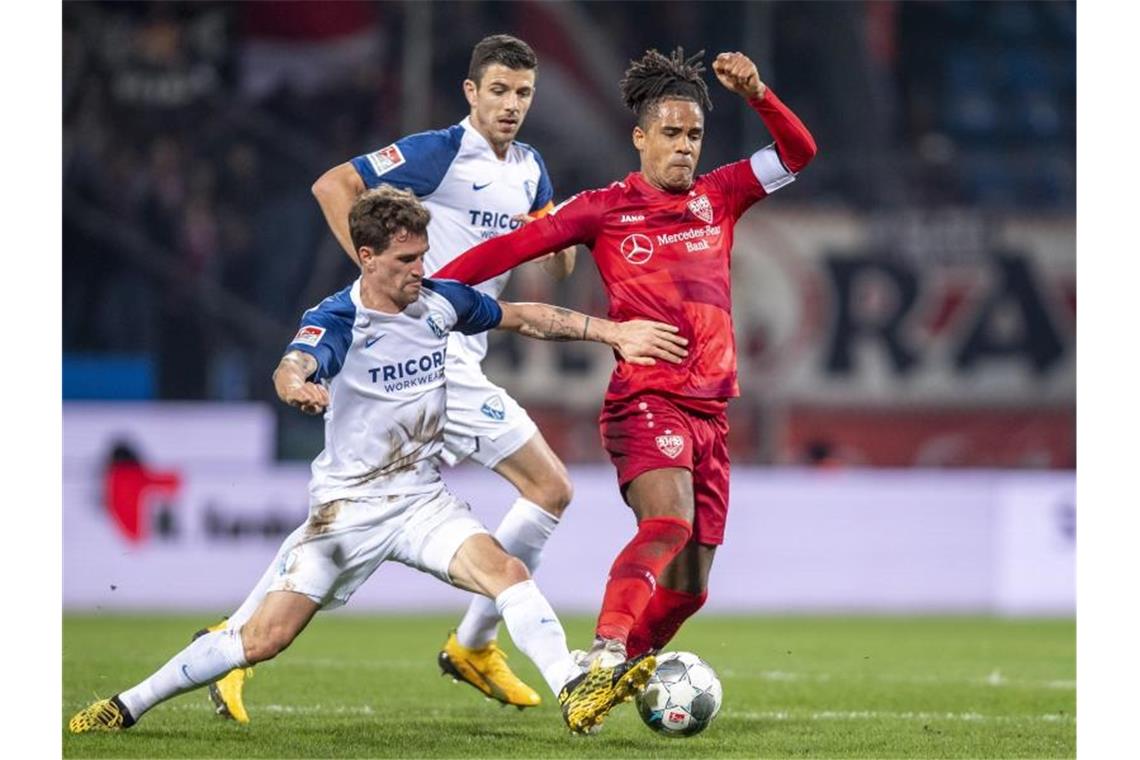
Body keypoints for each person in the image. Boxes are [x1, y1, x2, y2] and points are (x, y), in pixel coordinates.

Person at [68, 186, 689, 737]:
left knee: (507, 574)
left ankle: (574, 692)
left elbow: (524, 316)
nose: (421, 270)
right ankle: (127, 704)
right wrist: (297, 385)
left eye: (422, 255)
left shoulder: (439, 303)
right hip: (348, 512)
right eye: (405, 260)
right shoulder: (340, 318)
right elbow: (294, 364)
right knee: (261, 640)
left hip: (421, 500)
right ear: (366, 258)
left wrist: (612, 333)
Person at [434, 48, 817, 666]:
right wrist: (432, 288)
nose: (685, 147)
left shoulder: (721, 195)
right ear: (641, 138)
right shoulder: (603, 210)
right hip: (646, 400)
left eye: (694, 134)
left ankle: (617, 672)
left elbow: (798, 153)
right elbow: (510, 248)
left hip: (711, 414)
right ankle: (608, 646)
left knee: (690, 590)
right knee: (667, 524)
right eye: (671, 133)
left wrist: (759, 93)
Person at [280, 32, 576, 714]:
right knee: (549, 487)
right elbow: (335, 184)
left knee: (349, 519)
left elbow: (555, 260)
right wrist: (372, 272)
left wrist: (558, 235)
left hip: (462, 351)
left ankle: (234, 644)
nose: (509, 104)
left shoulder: (531, 169)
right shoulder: (442, 151)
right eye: (497, 90)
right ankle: (474, 644)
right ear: (471, 92)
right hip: (432, 355)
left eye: (522, 93)